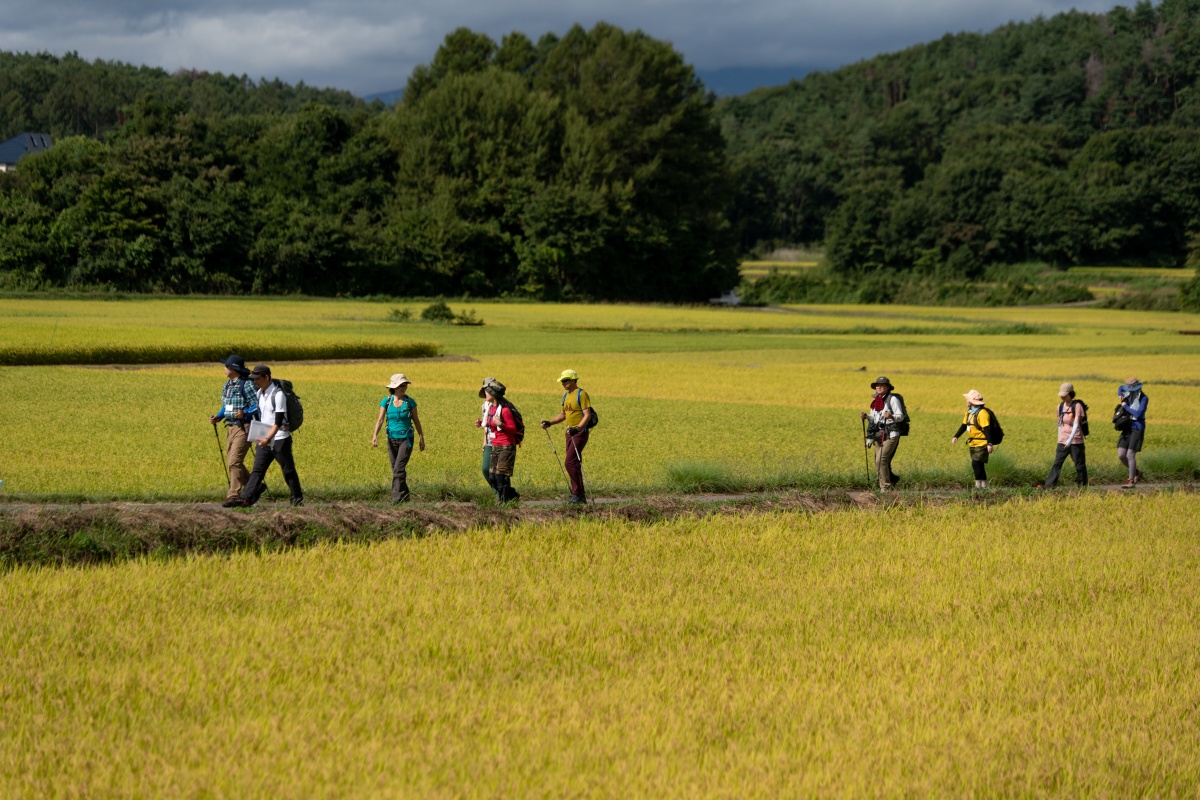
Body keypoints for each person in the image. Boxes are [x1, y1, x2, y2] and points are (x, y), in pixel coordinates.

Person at [236, 364, 303, 507]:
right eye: (253, 379)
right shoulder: (260, 393)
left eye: (258, 379)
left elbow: (278, 422)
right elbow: (262, 417)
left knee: (288, 470)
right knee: (258, 470)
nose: (255, 382)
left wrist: (268, 439)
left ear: (267, 377)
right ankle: (246, 499)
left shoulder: (278, 395)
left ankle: (297, 499)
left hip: (280, 439)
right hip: (265, 439)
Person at [540, 369, 593, 503]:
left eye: (566, 381)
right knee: (574, 463)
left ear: (573, 380)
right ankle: (578, 496)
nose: (563, 383)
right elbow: (563, 415)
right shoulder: (566, 396)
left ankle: (578, 495)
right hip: (569, 433)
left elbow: (587, 415)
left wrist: (578, 428)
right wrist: (549, 422)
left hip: (579, 432)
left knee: (569, 462)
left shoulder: (581, 394)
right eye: (562, 381)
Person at [211, 355, 258, 506]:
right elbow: (226, 406)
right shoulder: (227, 385)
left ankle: (233, 495)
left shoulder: (247, 384)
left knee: (234, 461)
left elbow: (258, 404)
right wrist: (218, 417)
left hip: (245, 427)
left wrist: (245, 413)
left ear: (233, 369)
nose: (224, 369)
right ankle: (255, 487)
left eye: (226, 366)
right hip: (230, 427)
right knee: (233, 462)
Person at [371, 373, 425, 503]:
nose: (404, 387)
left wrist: (421, 437)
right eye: (401, 385)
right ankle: (406, 498)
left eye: (405, 385)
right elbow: (380, 420)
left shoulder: (410, 402)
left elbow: (416, 420)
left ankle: (396, 500)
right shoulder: (386, 401)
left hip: (406, 439)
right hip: (391, 439)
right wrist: (374, 436)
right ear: (394, 387)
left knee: (398, 469)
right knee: (396, 469)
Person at [1038, 382, 1088, 489]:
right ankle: (1049, 485)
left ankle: (1083, 486)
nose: (1062, 397)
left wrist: (1070, 440)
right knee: (1057, 463)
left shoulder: (1077, 406)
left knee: (1079, 465)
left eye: (1065, 395)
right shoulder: (1060, 406)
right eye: (1061, 395)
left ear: (1071, 394)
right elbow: (1060, 423)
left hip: (1075, 440)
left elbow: (1076, 424)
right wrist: (1060, 438)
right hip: (1062, 440)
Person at [859, 376, 904, 491]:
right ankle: (891, 481)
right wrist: (866, 417)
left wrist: (891, 416)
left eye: (881, 385)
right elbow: (874, 419)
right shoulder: (876, 402)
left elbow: (901, 416)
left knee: (881, 460)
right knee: (879, 461)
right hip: (879, 434)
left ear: (887, 387)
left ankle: (885, 488)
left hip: (891, 434)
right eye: (877, 385)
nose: (878, 387)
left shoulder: (892, 399)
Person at [951, 390, 1000, 489]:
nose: (966, 402)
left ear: (971, 402)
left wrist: (990, 444)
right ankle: (984, 486)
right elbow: (964, 426)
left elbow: (986, 429)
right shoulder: (969, 413)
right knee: (979, 465)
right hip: (973, 443)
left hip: (982, 443)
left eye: (968, 400)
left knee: (975, 464)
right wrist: (956, 436)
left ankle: (978, 486)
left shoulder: (982, 413)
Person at [484, 381, 521, 503]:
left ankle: (503, 501)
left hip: (506, 446)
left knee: (500, 477)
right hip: (495, 445)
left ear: (493, 394)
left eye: (488, 391)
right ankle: (513, 496)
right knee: (492, 477)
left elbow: (513, 429)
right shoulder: (492, 408)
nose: (485, 393)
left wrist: (501, 424)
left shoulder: (505, 410)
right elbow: (491, 425)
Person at [1117, 377, 1148, 487]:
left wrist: (1125, 406)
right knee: (1121, 454)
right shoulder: (1127, 393)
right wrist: (1119, 394)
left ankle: (1131, 480)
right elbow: (1120, 387)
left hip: (1137, 427)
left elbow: (1138, 414)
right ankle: (1136, 473)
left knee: (1130, 454)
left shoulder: (1144, 398)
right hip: (1127, 427)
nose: (1129, 391)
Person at [476, 377, 500, 500]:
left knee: (500, 472)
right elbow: (487, 425)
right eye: (485, 389)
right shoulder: (484, 406)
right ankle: (498, 493)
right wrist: (484, 441)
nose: (485, 392)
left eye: (487, 389)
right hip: (490, 442)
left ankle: (504, 497)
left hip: (501, 442)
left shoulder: (502, 405)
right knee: (486, 469)